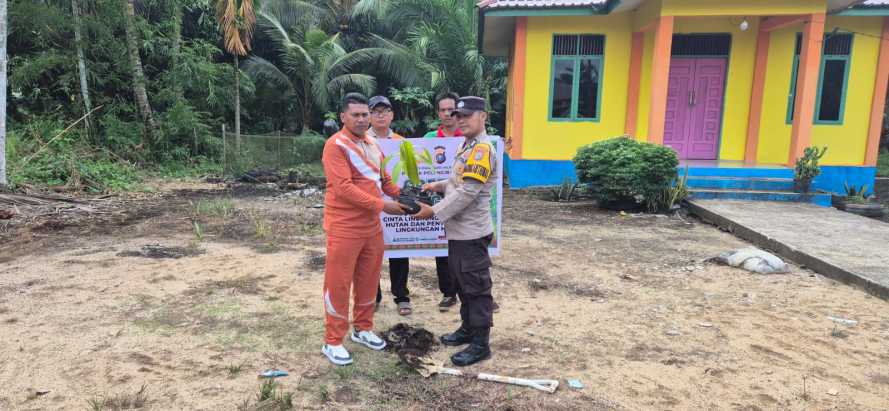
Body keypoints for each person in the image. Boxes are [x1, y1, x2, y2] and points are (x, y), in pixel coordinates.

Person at [320, 92, 409, 366]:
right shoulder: (335, 146)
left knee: (369, 279)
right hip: (344, 226)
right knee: (338, 283)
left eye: (364, 114)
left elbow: (384, 180)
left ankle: (363, 328)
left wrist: (405, 197)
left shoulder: (372, 143)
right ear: (343, 117)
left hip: (372, 226)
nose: (361, 119)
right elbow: (344, 189)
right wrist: (384, 206)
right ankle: (333, 341)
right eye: (355, 115)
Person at [414, 96, 499, 367]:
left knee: (476, 289)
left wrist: (434, 212)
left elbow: (469, 191)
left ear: (483, 116)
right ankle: (467, 329)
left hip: (471, 233)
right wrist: (436, 186)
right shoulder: (468, 145)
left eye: (467, 115)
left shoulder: (483, 149)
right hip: (459, 232)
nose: (460, 119)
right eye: (457, 115)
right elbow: (456, 181)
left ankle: (480, 344)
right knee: (463, 285)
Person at [365, 95, 413, 317]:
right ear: (369, 115)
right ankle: (372, 296)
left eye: (385, 111)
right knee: (370, 253)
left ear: (392, 115)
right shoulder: (361, 141)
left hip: (395, 203)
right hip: (370, 205)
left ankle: (401, 295)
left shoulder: (403, 142)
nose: (381, 115)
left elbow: (410, 171)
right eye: (376, 111)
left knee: (399, 250)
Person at [422, 92, 462, 311]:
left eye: (451, 109)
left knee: (465, 248)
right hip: (438, 200)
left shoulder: (467, 135)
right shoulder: (428, 139)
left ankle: (471, 292)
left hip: (463, 201)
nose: (447, 114)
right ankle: (448, 293)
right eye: (443, 110)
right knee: (441, 247)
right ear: (438, 113)